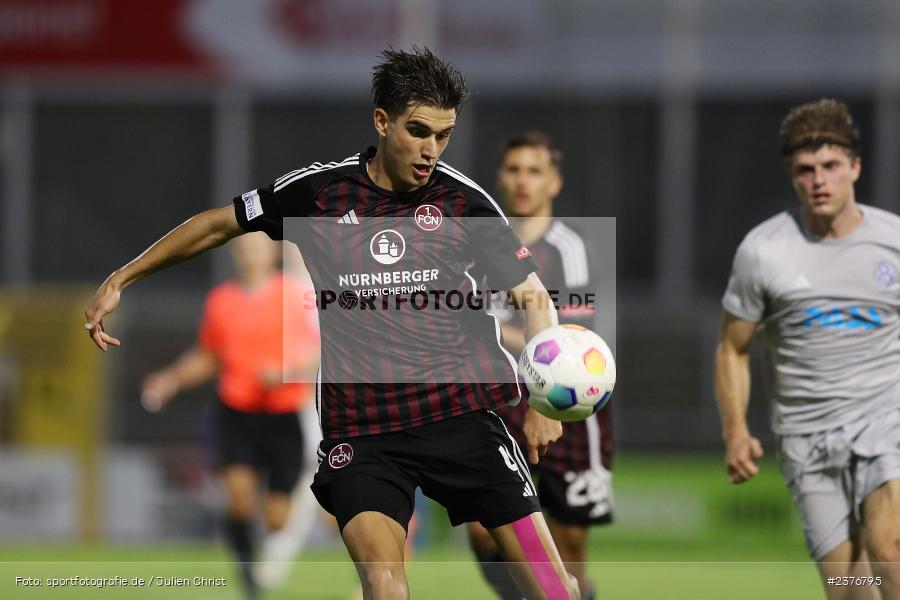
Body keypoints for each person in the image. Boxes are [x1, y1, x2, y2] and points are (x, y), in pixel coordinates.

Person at [84, 47, 581, 600]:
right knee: (384, 587)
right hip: (363, 431)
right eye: (418, 131)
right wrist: (121, 278)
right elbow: (218, 226)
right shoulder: (320, 194)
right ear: (381, 121)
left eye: (442, 136)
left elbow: (535, 298)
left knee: (552, 588)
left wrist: (541, 400)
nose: (431, 150)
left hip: (461, 415)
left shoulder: (464, 202)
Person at [715, 98, 900, 599]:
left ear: (855, 168)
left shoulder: (893, 243)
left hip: (886, 422)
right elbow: (733, 348)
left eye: (831, 166)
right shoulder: (764, 251)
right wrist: (736, 432)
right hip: (807, 439)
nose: (819, 179)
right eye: (806, 169)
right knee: (849, 588)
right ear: (792, 175)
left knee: (889, 552)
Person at [467, 132, 613, 600]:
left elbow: (565, 339)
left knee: (568, 549)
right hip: (498, 403)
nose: (522, 180)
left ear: (554, 182)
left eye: (534, 171)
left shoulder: (568, 248)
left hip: (566, 408)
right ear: (500, 178)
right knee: (483, 529)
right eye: (513, 169)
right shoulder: (483, 243)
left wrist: (487, 327)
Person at [140, 232, 320, 599]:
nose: (249, 254)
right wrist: (170, 379)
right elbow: (208, 356)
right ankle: (246, 570)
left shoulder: (295, 295)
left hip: (283, 415)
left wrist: (288, 368)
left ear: (271, 251)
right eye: (242, 247)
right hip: (237, 413)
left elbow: (319, 353)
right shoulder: (222, 300)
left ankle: (259, 541)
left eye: (256, 246)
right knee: (238, 497)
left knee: (276, 518)